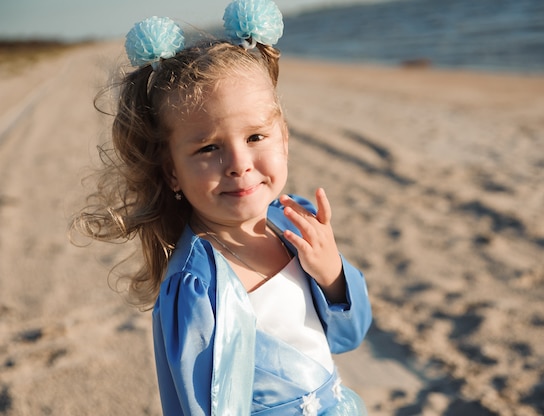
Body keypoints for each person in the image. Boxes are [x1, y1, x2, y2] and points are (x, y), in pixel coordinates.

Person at [71, 0, 372, 414]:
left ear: (283, 139)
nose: (238, 165)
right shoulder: (196, 285)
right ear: (172, 170)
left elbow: (348, 337)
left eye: (255, 137)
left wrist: (333, 276)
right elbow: (199, 405)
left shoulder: (296, 222)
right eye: (209, 148)